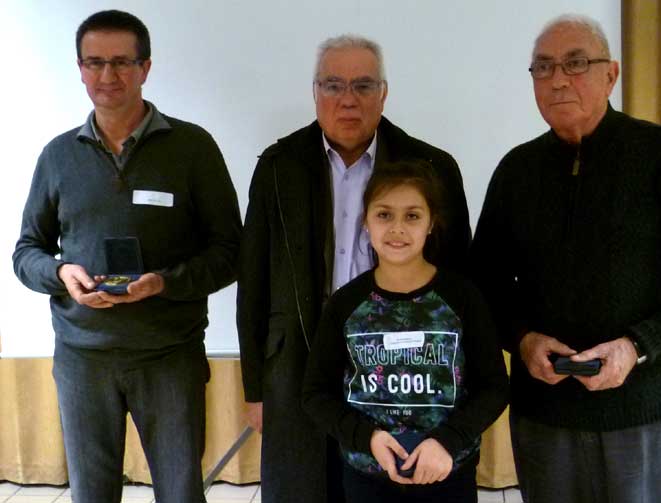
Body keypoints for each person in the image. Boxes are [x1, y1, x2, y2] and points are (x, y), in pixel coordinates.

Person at [470, 13, 661, 503]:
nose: (558, 79)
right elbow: (483, 282)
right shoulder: (516, 171)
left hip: (640, 408)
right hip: (545, 411)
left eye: (575, 63)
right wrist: (522, 339)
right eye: (543, 67)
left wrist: (636, 347)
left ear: (611, 75)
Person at [12, 10, 241, 503]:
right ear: (80, 68)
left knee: (180, 493)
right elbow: (26, 252)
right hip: (82, 360)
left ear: (145, 68)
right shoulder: (58, 156)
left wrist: (165, 282)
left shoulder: (192, 148)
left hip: (169, 355)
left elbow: (230, 252)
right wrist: (61, 273)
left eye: (121, 62)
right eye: (94, 62)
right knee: (91, 495)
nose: (107, 75)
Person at [237, 35, 472, 503]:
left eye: (363, 86)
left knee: (379, 489)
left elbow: (460, 284)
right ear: (315, 92)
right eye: (333, 85)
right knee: (303, 488)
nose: (348, 100)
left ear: (384, 94)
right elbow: (255, 279)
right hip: (298, 367)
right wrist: (255, 389)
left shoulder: (431, 167)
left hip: (402, 374)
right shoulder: (278, 166)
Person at [302, 160, 508, 503]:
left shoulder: (462, 298)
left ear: (431, 223)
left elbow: (494, 388)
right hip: (367, 475)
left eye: (412, 216)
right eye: (384, 214)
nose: (397, 228)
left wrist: (447, 441)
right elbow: (315, 394)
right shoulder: (345, 304)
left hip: (447, 473)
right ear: (366, 221)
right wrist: (367, 438)